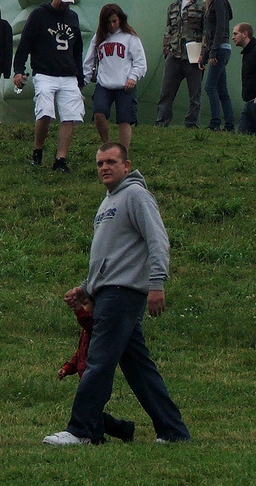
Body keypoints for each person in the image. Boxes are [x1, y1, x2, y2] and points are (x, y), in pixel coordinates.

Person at [43, 143, 190, 446]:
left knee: (99, 361)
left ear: (126, 165)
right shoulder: (108, 202)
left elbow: (158, 241)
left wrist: (157, 283)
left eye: (111, 162)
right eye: (99, 164)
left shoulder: (136, 195)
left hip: (123, 294)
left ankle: (80, 430)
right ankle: (173, 431)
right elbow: (109, 256)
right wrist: (85, 289)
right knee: (139, 368)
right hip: (109, 292)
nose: (104, 168)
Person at [12, 0, 84, 173]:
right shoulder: (39, 15)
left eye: (68, 0)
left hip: (68, 74)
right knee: (44, 112)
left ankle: (61, 159)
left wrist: (80, 77)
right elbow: (25, 44)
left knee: (69, 116)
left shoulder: (73, 17)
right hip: (45, 72)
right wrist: (18, 69)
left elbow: (77, 50)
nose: (65, 4)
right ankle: (38, 150)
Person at [57, 296, 135, 443]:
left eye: (86, 304)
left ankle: (97, 437)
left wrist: (77, 309)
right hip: (86, 377)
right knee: (91, 411)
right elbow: (79, 354)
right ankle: (124, 429)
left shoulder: (97, 327)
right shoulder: (86, 332)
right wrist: (67, 368)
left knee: (90, 411)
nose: (84, 308)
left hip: (96, 376)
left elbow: (87, 322)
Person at [83, 4, 147, 151]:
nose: (112, 25)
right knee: (99, 114)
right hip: (104, 84)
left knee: (124, 121)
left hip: (125, 85)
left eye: (114, 21)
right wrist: (83, 82)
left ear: (120, 20)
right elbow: (89, 62)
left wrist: (133, 77)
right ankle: (107, 145)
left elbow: (140, 62)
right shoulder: (98, 38)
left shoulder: (130, 38)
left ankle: (123, 153)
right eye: (108, 22)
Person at [155, 0, 205, 128]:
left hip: (194, 56)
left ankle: (191, 124)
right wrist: (166, 50)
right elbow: (168, 29)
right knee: (166, 93)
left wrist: (203, 54)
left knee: (195, 95)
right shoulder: (173, 7)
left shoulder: (203, 6)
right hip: (174, 55)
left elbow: (206, 31)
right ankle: (162, 122)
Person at [199, 0, 235, 132]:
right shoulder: (215, 3)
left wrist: (212, 53)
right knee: (222, 89)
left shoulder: (219, 2)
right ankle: (229, 124)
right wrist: (204, 55)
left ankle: (215, 122)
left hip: (220, 48)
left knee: (210, 87)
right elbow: (210, 32)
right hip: (219, 48)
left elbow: (220, 28)